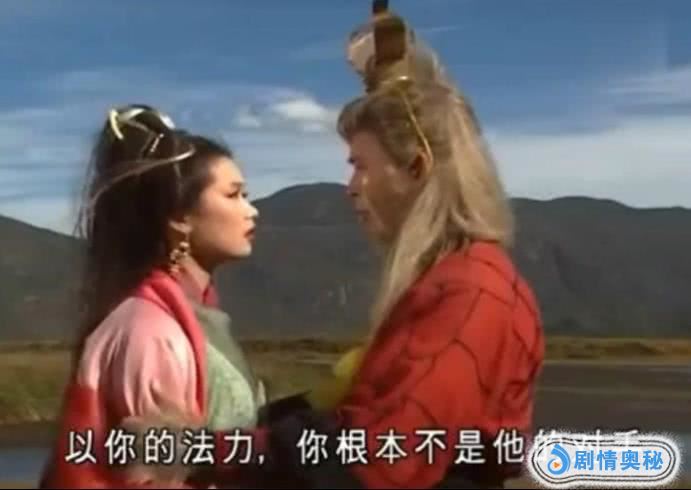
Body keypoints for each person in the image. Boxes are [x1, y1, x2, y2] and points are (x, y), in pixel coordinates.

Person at [124, 2, 545, 488]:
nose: (351, 187)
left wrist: (204, 451)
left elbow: (370, 462)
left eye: (360, 165)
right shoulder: (462, 280)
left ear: (416, 167)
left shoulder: (470, 292)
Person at [38, 104, 265, 489]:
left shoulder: (193, 318)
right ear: (179, 216)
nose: (252, 211)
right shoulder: (151, 332)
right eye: (234, 195)